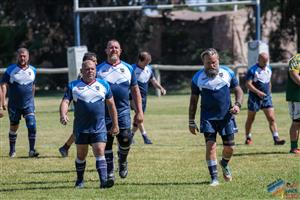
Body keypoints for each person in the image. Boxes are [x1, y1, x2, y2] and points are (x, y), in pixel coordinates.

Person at [59, 60, 119, 188]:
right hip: (81, 128)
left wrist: (115, 124)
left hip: (99, 127)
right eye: (87, 69)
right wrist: (63, 114)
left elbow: (111, 105)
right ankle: (80, 180)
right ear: (81, 71)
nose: (90, 71)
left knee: (99, 150)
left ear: (96, 71)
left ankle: (103, 181)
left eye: (92, 69)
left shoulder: (104, 85)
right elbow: (65, 102)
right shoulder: (73, 86)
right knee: (81, 155)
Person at [188, 48, 243, 186]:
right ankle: (214, 178)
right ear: (203, 63)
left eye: (214, 62)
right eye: (208, 63)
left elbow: (239, 91)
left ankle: (224, 163)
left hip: (226, 117)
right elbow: (193, 101)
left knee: (230, 148)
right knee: (210, 146)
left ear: (218, 60)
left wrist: (237, 105)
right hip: (208, 118)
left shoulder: (228, 73)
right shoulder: (197, 78)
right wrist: (191, 121)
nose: (212, 65)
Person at [96, 39, 143, 185]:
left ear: (120, 51)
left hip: (123, 111)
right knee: (107, 143)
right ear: (106, 51)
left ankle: (122, 160)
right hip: (104, 113)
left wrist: (139, 111)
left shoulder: (128, 68)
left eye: (116, 47)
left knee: (125, 138)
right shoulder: (98, 70)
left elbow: (135, 91)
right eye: (111, 48)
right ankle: (110, 172)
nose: (113, 50)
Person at [0, 48, 39, 158]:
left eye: (24, 56)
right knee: (14, 127)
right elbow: (2, 85)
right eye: (20, 56)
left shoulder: (33, 70)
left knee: (32, 125)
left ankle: (32, 151)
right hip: (14, 105)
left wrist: (32, 100)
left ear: (28, 57)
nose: (22, 58)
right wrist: (3, 101)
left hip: (28, 104)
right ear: (17, 56)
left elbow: (33, 85)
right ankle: (12, 151)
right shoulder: (10, 70)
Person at [58, 52, 98, 157]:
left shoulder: (95, 73)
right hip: (83, 105)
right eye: (94, 60)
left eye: (95, 61)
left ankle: (65, 147)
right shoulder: (83, 75)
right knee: (80, 131)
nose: (96, 62)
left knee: (79, 131)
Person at [244, 52, 285, 145]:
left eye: (267, 60)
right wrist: (258, 92)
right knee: (251, 119)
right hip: (254, 98)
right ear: (258, 60)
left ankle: (276, 138)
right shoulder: (252, 70)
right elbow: (248, 84)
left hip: (266, 98)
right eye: (263, 61)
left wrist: (269, 93)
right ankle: (248, 137)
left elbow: (268, 82)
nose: (266, 62)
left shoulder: (268, 68)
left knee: (271, 118)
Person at [131, 51, 166, 144]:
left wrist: (161, 88)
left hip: (143, 97)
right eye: (146, 61)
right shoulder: (132, 69)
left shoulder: (149, 69)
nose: (148, 63)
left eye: (149, 61)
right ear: (140, 60)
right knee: (139, 116)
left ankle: (130, 135)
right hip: (133, 97)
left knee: (138, 117)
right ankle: (145, 136)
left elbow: (153, 81)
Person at [286, 53, 300, 154]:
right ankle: (294, 148)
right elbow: (293, 74)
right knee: (297, 122)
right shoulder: (297, 58)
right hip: (297, 97)